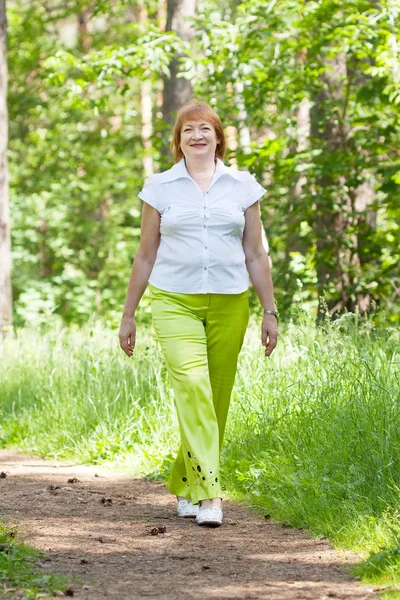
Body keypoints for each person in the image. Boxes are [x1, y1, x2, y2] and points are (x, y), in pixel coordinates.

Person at [119, 100, 278, 527]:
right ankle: (209, 494)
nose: (197, 136)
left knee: (216, 399)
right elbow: (146, 255)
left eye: (204, 129)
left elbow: (256, 253)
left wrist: (270, 311)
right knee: (193, 388)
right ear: (179, 140)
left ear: (218, 137)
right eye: (188, 130)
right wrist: (128, 315)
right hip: (174, 301)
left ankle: (186, 482)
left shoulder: (243, 187)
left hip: (230, 302)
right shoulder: (159, 188)